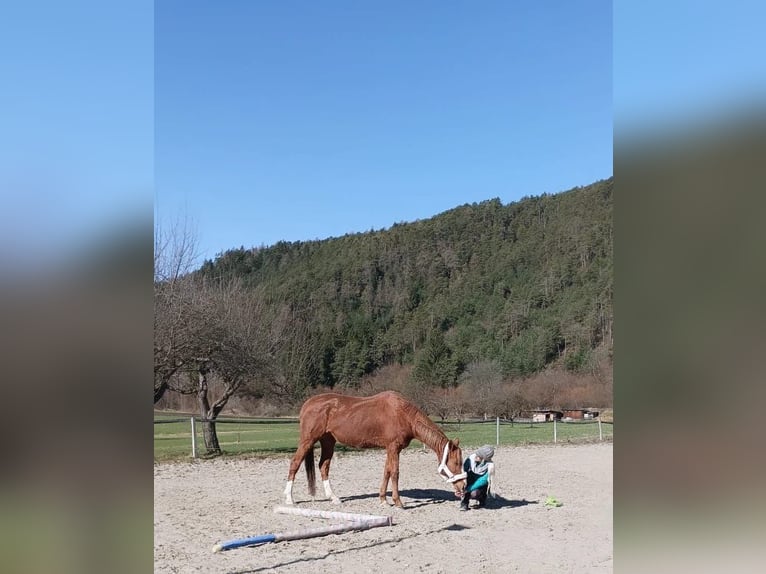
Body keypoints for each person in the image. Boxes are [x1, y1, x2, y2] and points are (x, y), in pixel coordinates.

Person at [459, 445, 496, 511]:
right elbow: (463, 471)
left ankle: (482, 498)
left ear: (484, 459)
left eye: (479, 455)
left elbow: (482, 481)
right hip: (470, 479)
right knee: (465, 484)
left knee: (474, 493)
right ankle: (464, 502)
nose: (476, 455)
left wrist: (468, 489)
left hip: (479, 484)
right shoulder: (470, 459)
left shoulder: (490, 466)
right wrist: (460, 487)